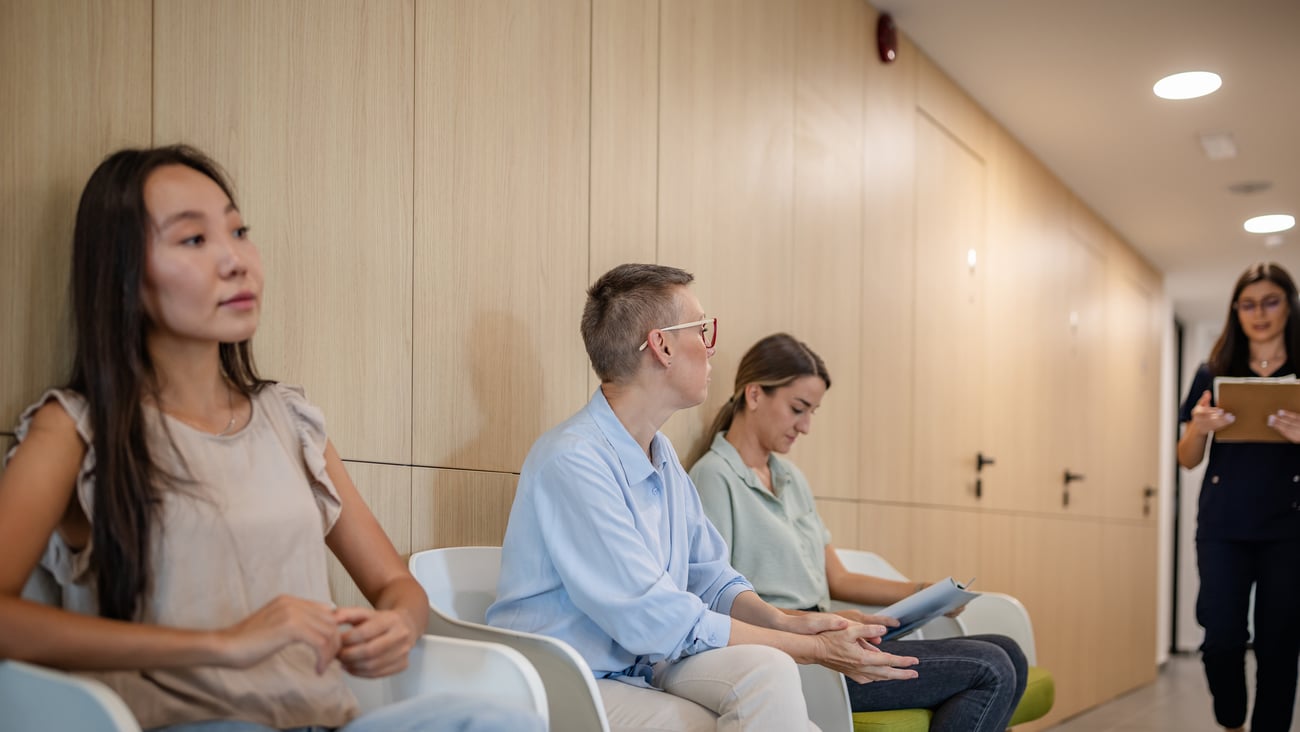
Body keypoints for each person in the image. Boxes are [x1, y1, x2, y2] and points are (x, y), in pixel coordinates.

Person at [0, 146, 542, 732]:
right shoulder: (76, 429)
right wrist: (223, 644)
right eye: (193, 239)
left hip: (325, 721)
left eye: (238, 231)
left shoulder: (290, 420)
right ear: (123, 273)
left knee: (499, 721)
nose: (235, 260)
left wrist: (398, 626)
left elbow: (394, 585)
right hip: (188, 724)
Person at [486, 263, 920, 731]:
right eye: (701, 329)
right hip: (564, 683)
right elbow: (653, 617)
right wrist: (813, 648)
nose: (711, 348)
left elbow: (710, 577)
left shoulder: (661, 454)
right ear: (662, 346)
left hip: (641, 668)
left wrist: (785, 623)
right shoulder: (572, 459)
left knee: (768, 671)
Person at [686, 333, 1027, 731]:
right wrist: (823, 624)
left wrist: (924, 592)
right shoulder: (713, 478)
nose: (806, 426)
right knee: (992, 667)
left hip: (831, 632)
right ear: (755, 394)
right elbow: (716, 604)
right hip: (796, 652)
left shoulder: (790, 478)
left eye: (812, 412)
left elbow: (838, 578)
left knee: (1009, 652)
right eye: (798, 409)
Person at [1177, 262, 1300, 732]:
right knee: (1221, 640)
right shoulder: (1212, 372)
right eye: (1248, 304)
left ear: (1289, 306)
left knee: (1279, 644)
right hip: (1223, 526)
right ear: (1235, 310)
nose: (1259, 314)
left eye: (1270, 302)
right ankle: (1231, 720)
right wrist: (1199, 428)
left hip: (1289, 528)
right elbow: (1187, 459)